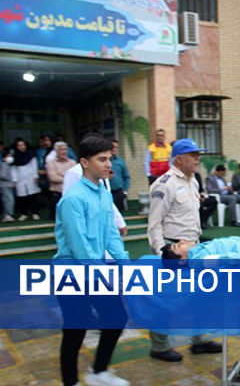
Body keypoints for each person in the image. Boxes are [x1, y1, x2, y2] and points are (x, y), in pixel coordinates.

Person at [54, 135, 130, 386]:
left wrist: (125, 264)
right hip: (72, 273)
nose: (109, 164)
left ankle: (98, 372)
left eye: (109, 158)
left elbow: (110, 235)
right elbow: (79, 248)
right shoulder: (73, 199)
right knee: (76, 329)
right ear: (84, 163)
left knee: (116, 317)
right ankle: (70, 382)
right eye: (102, 159)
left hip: (94, 271)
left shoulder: (103, 194)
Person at [147, 138, 221, 361]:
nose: (198, 159)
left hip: (194, 249)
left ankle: (199, 341)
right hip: (173, 249)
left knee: (201, 294)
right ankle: (159, 346)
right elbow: (154, 224)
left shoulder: (193, 181)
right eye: (193, 155)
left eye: (198, 154)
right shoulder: (164, 184)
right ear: (178, 159)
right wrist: (163, 254)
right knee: (166, 300)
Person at [11, 138, 41, 221]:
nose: (22, 147)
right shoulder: (15, 157)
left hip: (31, 178)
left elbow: (34, 167)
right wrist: (14, 180)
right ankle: (23, 214)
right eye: (19, 145)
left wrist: (35, 177)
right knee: (22, 198)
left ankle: (35, 213)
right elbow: (14, 169)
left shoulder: (31, 155)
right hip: (20, 179)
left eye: (23, 145)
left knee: (33, 196)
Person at [46, 142, 76, 221]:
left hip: (70, 193)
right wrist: (67, 178)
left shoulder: (72, 162)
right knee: (57, 217)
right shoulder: (51, 163)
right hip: (56, 193)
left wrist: (61, 176)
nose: (64, 151)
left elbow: (75, 177)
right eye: (61, 149)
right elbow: (52, 177)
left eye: (65, 149)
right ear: (56, 151)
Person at [109, 140, 131, 214]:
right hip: (107, 192)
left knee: (119, 215)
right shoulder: (104, 161)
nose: (114, 149)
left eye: (116, 147)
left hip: (118, 192)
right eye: (112, 147)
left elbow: (127, 177)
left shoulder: (120, 161)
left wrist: (124, 191)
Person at [0, 153, 15, 222]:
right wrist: (12, 178)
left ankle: (9, 215)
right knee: (8, 200)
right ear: (4, 158)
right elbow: (2, 175)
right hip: (5, 185)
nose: (10, 157)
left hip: (9, 185)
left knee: (9, 200)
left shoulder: (10, 165)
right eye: (8, 156)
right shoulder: (4, 165)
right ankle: (7, 215)